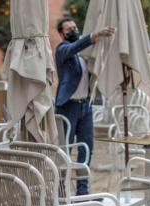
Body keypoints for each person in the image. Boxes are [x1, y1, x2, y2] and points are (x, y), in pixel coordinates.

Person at [54, 17, 115, 195]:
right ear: (61, 34)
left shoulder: (84, 54)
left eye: (75, 27)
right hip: (67, 107)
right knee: (65, 150)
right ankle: (60, 191)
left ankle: (82, 192)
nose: (73, 30)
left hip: (85, 107)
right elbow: (73, 47)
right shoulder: (62, 50)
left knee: (86, 148)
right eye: (69, 29)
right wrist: (93, 36)